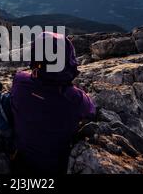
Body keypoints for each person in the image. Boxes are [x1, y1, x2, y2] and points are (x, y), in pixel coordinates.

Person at [10, 32, 96, 174]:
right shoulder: (76, 100)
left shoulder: (19, 82)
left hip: (20, 162)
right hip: (54, 168)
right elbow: (91, 110)